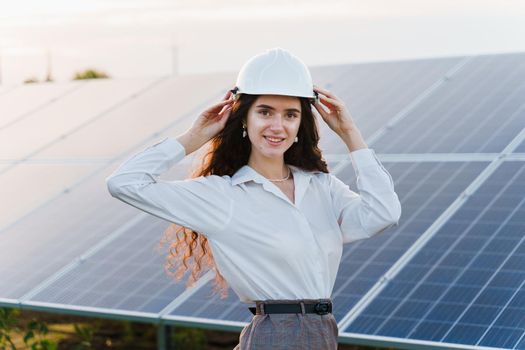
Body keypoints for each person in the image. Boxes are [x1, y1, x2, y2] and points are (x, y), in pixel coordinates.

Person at [106, 47, 402, 350]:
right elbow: (124, 183)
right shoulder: (223, 196)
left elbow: (383, 213)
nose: (278, 126)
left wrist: (351, 134)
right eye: (265, 112)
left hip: (323, 335)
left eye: (290, 114)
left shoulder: (322, 187)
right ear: (244, 119)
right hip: (273, 339)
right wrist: (193, 138)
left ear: (301, 124)